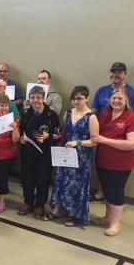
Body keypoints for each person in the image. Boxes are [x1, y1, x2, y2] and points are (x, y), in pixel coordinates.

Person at [43, 86, 99, 226]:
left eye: (79, 98)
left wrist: (78, 142)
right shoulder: (68, 113)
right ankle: (56, 210)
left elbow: (94, 141)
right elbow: (62, 133)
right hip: (66, 153)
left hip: (82, 157)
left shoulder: (91, 117)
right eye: (73, 98)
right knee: (60, 180)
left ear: (86, 98)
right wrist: (53, 139)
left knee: (76, 184)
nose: (76, 101)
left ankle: (73, 213)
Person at [91, 89, 134, 236]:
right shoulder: (104, 114)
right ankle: (108, 217)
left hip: (120, 164)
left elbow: (132, 144)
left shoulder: (132, 118)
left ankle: (115, 224)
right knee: (106, 191)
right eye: (114, 98)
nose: (116, 101)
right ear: (109, 100)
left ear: (126, 102)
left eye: (120, 98)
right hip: (102, 161)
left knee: (116, 193)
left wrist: (104, 140)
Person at [90, 62, 134, 202]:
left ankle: (113, 207)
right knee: (102, 169)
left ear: (125, 75)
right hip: (100, 137)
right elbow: (93, 112)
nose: (115, 75)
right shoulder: (102, 91)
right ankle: (101, 193)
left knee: (115, 184)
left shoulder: (133, 94)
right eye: (113, 72)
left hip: (120, 140)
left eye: (119, 72)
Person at [18, 86, 61, 218]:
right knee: (27, 179)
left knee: (43, 181)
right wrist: (21, 138)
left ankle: (39, 206)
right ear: (29, 99)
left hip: (45, 155)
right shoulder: (26, 114)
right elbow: (20, 131)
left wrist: (49, 136)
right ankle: (28, 203)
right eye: (32, 97)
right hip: (28, 154)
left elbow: (58, 136)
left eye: (38, 97)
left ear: (43, 98)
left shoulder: (51, 115)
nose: (35, 100)